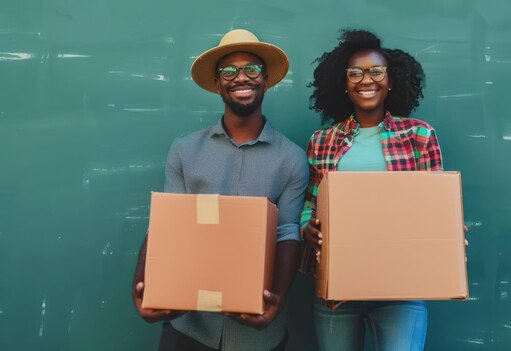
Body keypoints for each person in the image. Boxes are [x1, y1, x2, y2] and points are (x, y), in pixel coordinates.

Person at [132, 29, 308, 351]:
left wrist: (277, 302)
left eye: (252, 69)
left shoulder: (292, 157)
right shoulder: (185, 150)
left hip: (259, 335)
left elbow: (287, 232)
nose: (241, 77)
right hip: (189, 327)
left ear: (265, 80)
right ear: (217, 84)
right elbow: (166, 224)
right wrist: (141, 285)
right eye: (229, 71)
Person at [300, 30, 443, 351]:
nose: (366, 80)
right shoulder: (322, 140)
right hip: (337, 289)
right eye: (355, 73)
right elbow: (311, 202)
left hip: (401, 288)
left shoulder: (418, 135)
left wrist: (445, 228)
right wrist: (307, 228)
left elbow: (437, 204)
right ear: (344, 84)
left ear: (391, 81)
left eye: (376, 71)